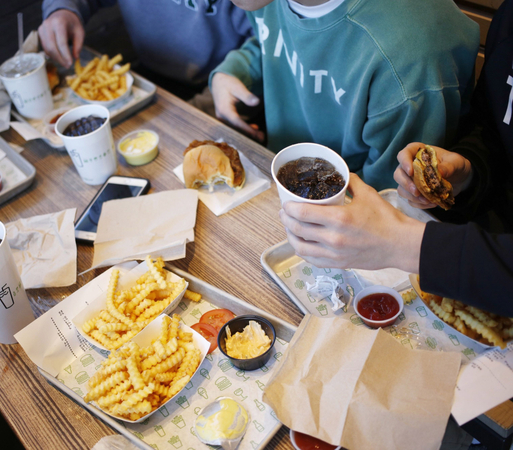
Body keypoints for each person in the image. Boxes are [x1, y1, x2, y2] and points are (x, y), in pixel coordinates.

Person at [278, 0, 513, 318]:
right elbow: (495, 131)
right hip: (468, 246)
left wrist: (405, 244)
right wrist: (470, 171)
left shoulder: (406, 52)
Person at [210, 0, 480, 189]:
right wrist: (235, 70)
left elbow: (389, 199)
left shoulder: (406, 60)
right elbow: (275, 39)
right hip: (276, 176)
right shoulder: (261, 3)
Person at [38, 0, 254, 114]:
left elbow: (264, 48)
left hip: (217, 90)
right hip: (146, 80)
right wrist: (62, 9)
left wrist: (204, 107)